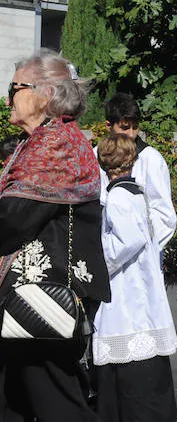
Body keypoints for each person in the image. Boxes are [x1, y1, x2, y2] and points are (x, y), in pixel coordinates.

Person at [0, 51, 111, 421]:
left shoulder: (56, 143)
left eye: (15, 87)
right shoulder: (41, 140)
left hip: (40, 295)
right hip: (28, 296)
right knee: (17, 397)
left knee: (56, 401)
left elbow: (13, 219)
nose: (8, 97)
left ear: (44, 94)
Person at [94, 135, 177, 422]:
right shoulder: (135, 192)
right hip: (139, 283)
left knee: (129, 380)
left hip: (125, 289)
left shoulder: (117, 196)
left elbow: (127, 241)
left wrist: (97, 258)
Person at [98, 93, 177, 253]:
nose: (131, 134)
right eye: (125, 128)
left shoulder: (151, 159)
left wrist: (140, 248)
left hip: (139, 260)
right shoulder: (94, 156)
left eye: (135, 127)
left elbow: (164, 216)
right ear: (108, 125)